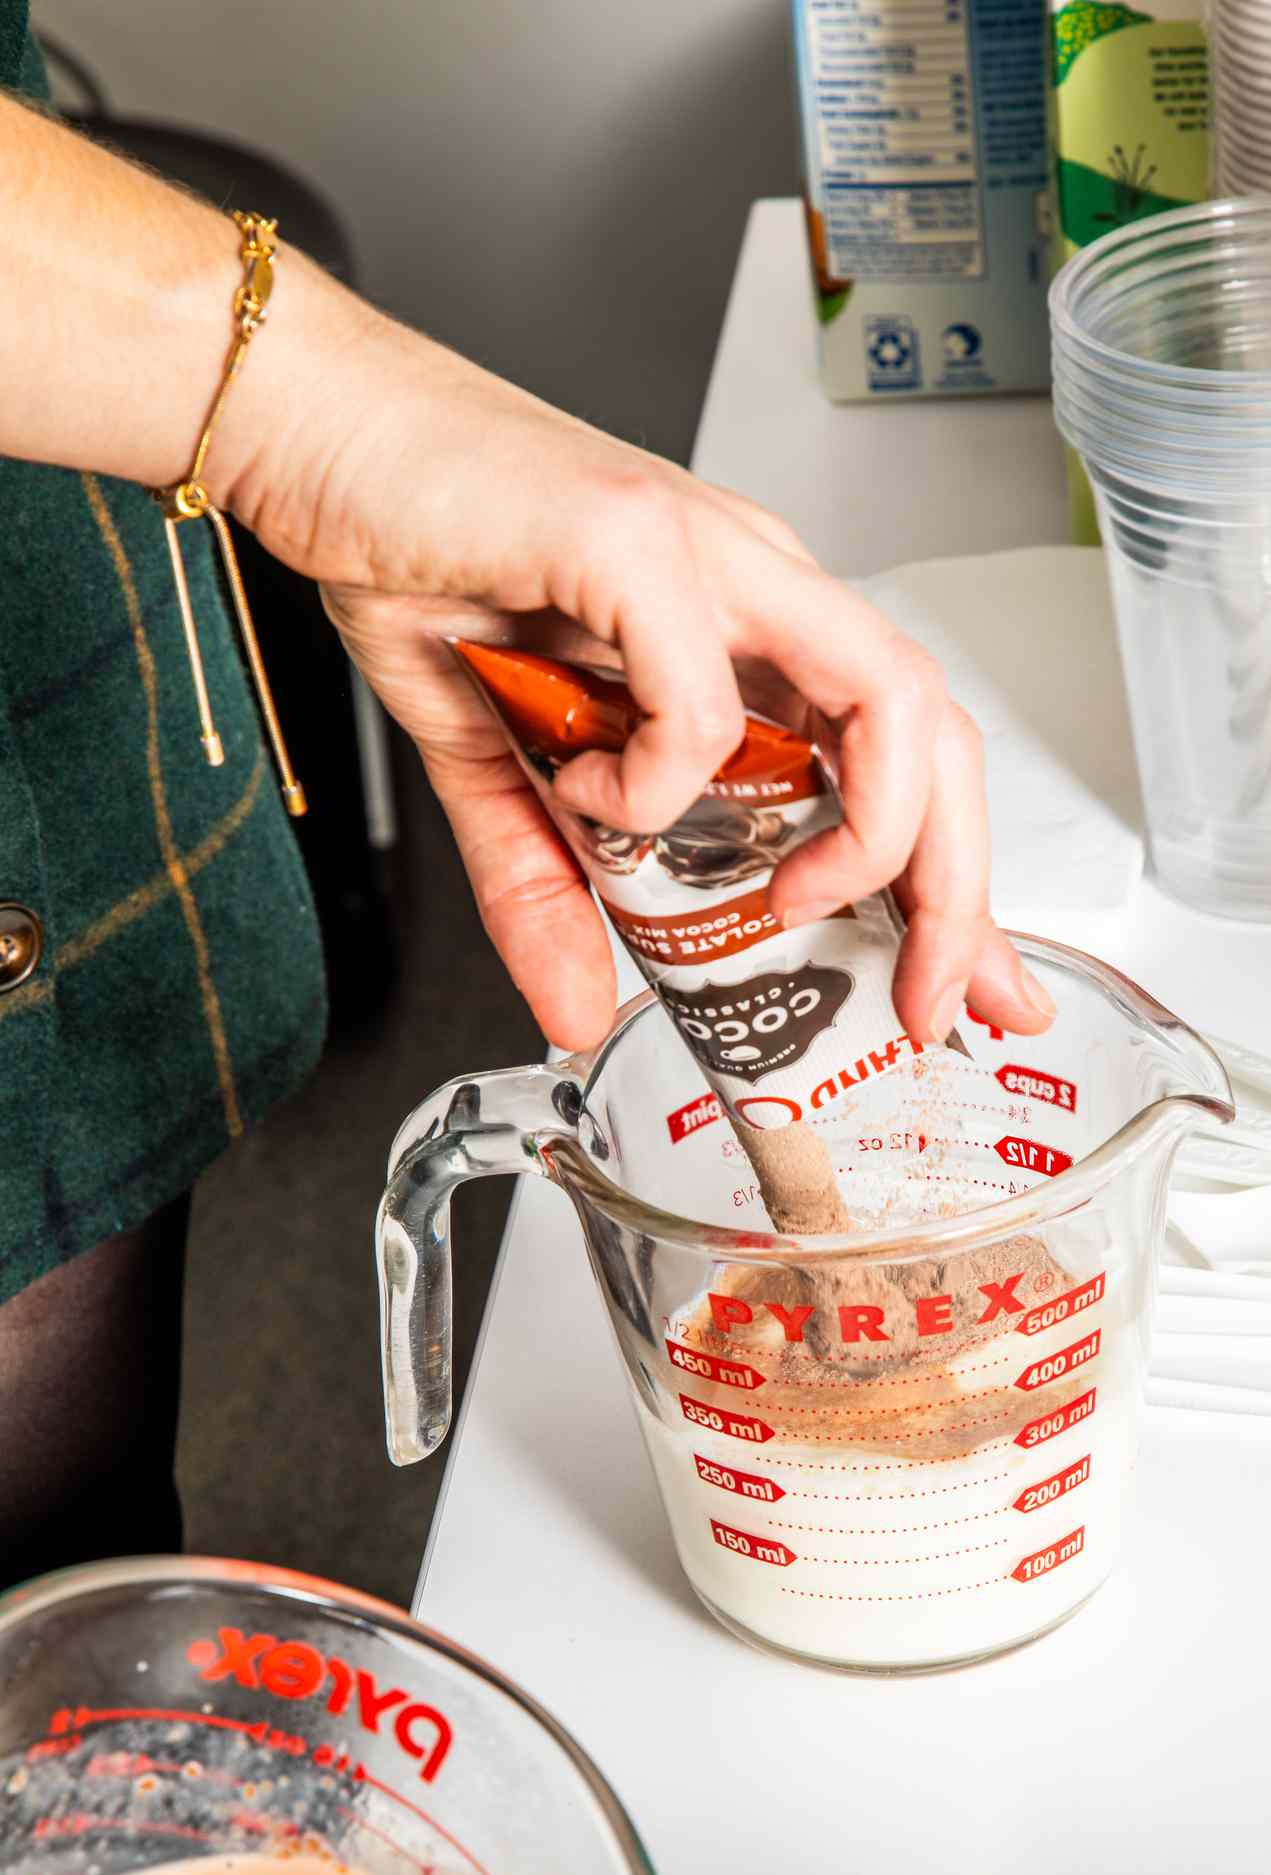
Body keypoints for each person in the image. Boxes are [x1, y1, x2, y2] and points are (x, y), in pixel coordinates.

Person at [0, 10, 1055, 1580]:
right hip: (133, 369)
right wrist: (323, 416)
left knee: (61, 1587)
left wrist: (310, 420)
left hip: (48, 497)